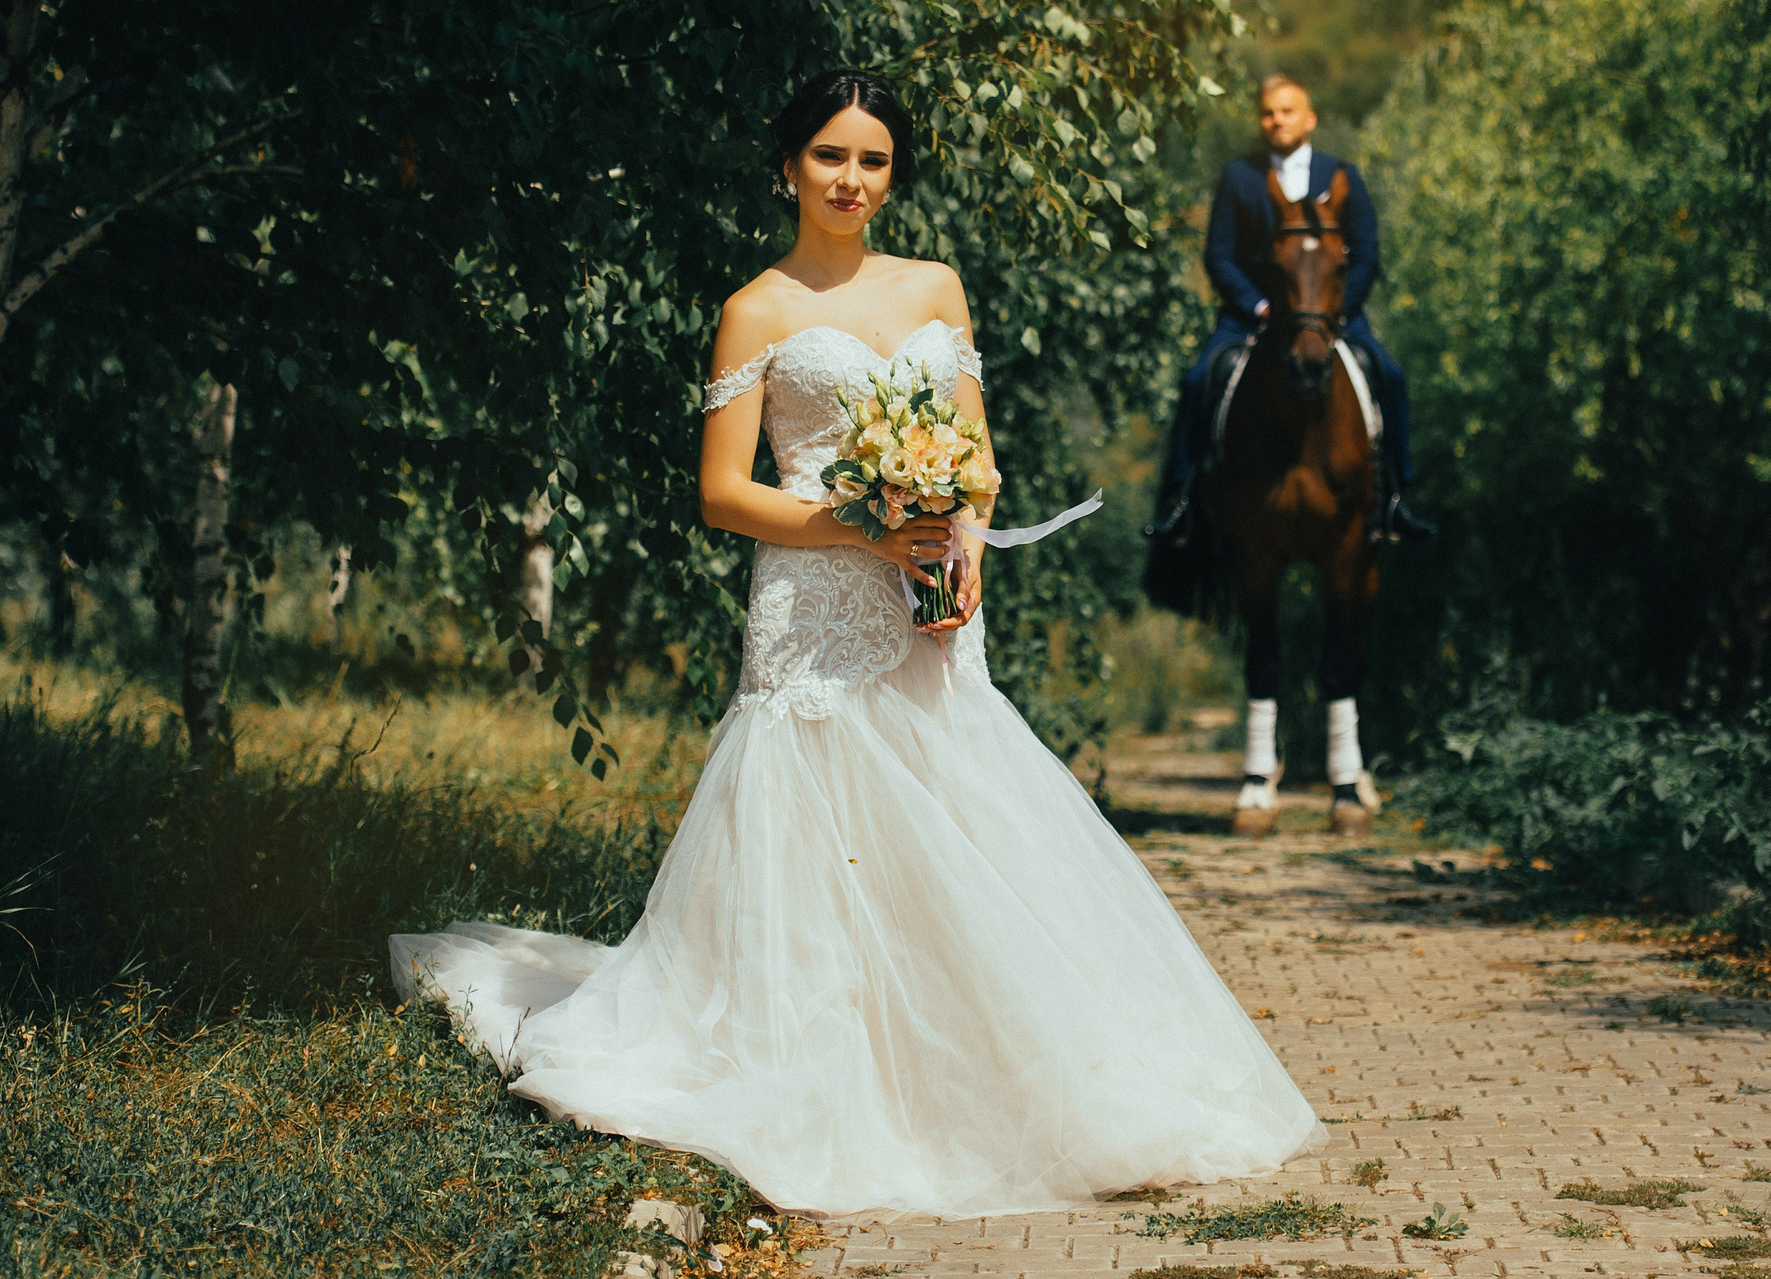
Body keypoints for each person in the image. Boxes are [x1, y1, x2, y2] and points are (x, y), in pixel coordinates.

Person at [389, 71, 1319, 1219]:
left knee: (952, 821)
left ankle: (985, 1074)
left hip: (928, 604)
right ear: (788, 165)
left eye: (873, 160)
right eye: (830, 155)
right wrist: (860, 524)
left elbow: (975, 456)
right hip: (812, 609)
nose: (850, 179)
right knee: (814, 829)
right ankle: (822, 1065)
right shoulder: (757, 307)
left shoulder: (936, 285)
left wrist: (961, 538)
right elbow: (724, 494)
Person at [1149, 75, 1434, 542]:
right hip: (1253, 315)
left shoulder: (1343, 175)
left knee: (1391, 376)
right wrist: (1259, 305)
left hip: (1330, 316)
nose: (1276, 120)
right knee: (1198, 379)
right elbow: (1219, 256)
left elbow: (1366, 252)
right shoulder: (1239, 177)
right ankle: (1181, 502)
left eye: (1286, 111)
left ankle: (1399, 497)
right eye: (1268, 112)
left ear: (1309, 118)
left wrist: (1334, 312)